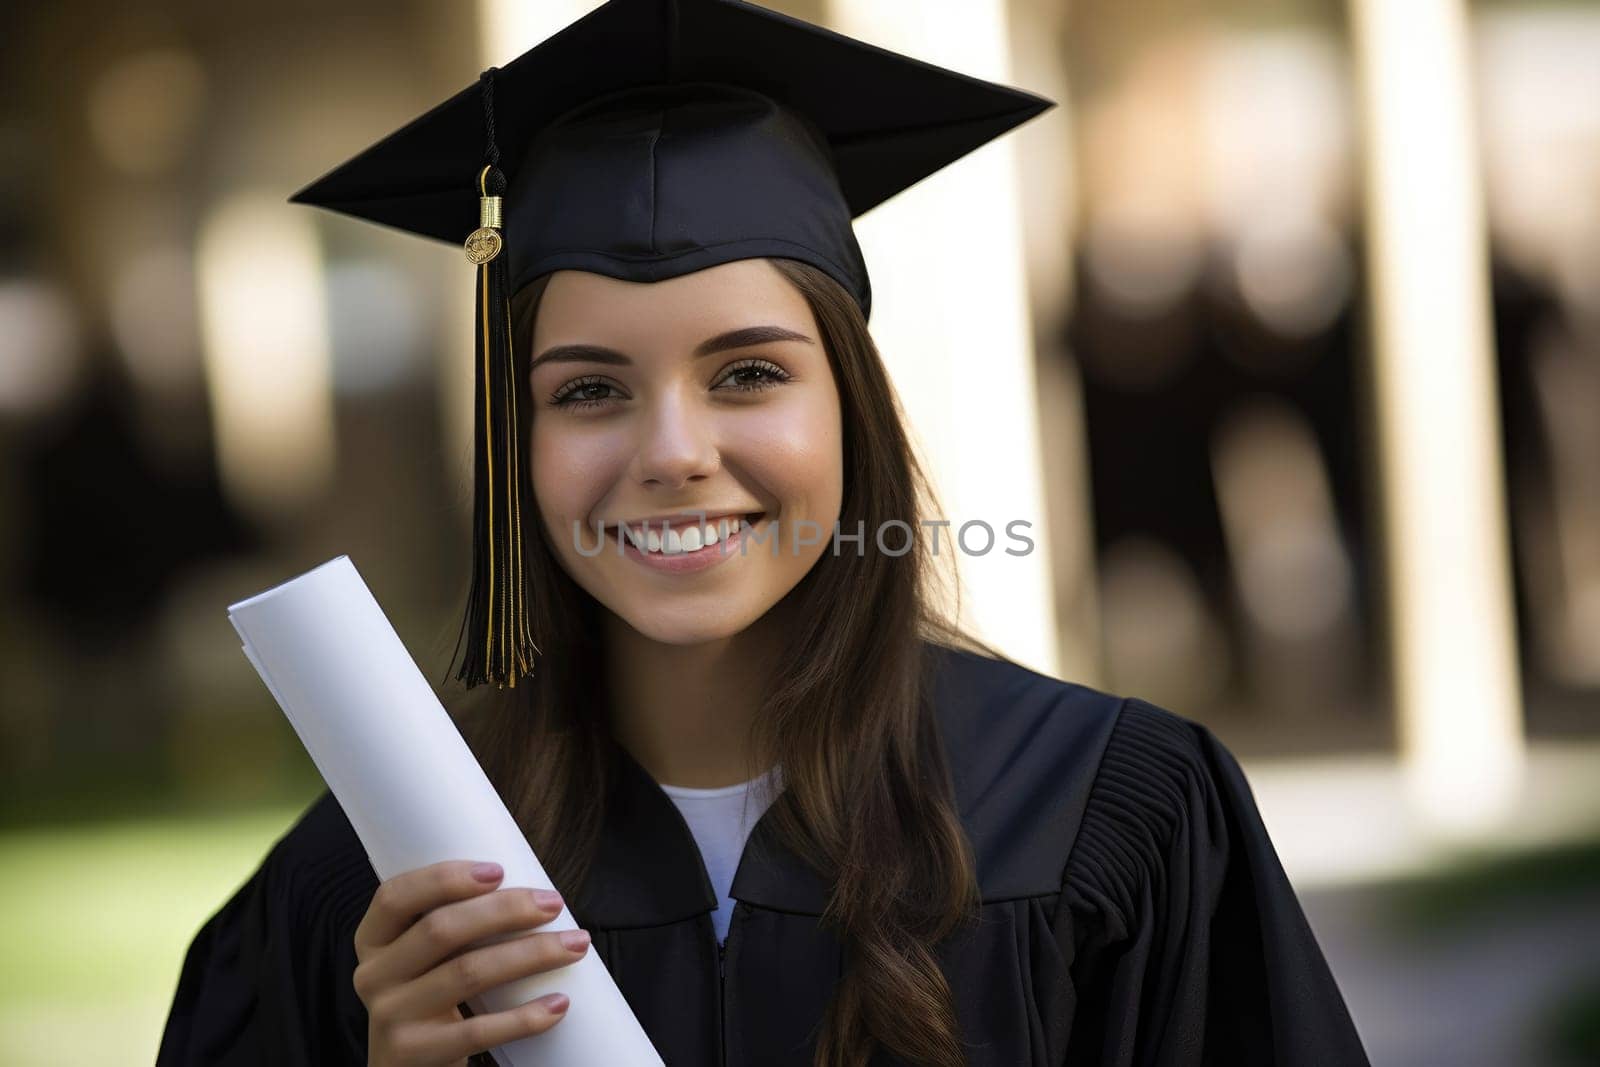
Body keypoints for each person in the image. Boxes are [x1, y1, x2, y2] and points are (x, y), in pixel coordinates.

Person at [157, 1, 1371, 1064]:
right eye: (586, 390)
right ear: (512, 442)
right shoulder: (377, 888)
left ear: (851, 407)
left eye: (746, 372)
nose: (673, 450)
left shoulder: (1114, 815)